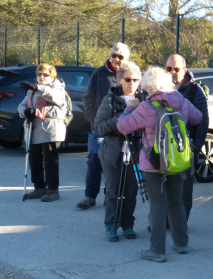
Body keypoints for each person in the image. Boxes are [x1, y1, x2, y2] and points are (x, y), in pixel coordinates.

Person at [117, 67, 202, 262]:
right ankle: (181, 244)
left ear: (148, 87)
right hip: (176, 160)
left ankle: (157, 251)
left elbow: (123, 126)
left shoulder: (146, 106)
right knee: (176, 202)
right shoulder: (181, 101)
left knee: (157, 205)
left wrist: (130, 106)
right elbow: (198, 118)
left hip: (152, 161)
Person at [94, 62, 146, 242]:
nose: (132, 83)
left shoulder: (144, 100)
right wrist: (121, 119)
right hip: (113, 150)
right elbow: (99, 127)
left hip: (135, 150)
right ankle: (111, 225)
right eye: (128, 79)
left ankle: (128, 224)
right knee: (113, 190)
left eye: (136, 79)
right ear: (119, 80)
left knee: (131, 190)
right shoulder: (110, 99)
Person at [77, 43, 130, 210]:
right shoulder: (99, 74)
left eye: (120, 57)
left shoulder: (130, 75)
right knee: (94, 161)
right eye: (113, 55)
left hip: (121, 129)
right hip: (99, 128)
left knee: (114, 163)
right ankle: (89, 196)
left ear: (126, 58)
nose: (116, 59)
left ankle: (110, 196)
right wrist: (94, 121)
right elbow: (88, 99)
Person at [165, 54, 209, 221]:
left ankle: (180, 223)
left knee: (184, 190)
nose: (173, 72)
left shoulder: (194, 90)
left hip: (186, 149)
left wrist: (196, 148)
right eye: (169, 68)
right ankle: (164, 220)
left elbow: (203, 122)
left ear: (184, 70)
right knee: (164, 186)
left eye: (176, 69)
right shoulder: (160, 89)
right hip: (163, 148)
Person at [18, 64, 67, 202]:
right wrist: (25, 112)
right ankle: (39, 187)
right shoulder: (32, 91)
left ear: (52, 76)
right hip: (33, 129)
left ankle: (52, 189)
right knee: (34, 160)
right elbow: (21, 106)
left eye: (45, 74)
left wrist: (37, 88)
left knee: (50, 161)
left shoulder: (57, 88)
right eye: (39, 74)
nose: (41, 77)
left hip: (51, 129)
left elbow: (54, 96)